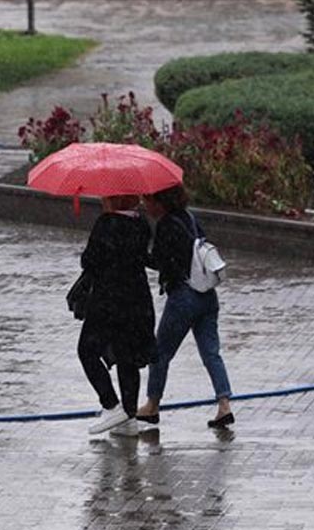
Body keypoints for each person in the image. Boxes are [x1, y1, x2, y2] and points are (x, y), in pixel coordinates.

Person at [136, 185, 234, 429]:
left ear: (159, 202)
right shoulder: (190, 219)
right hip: (208, 296)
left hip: (183, 297)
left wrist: (138, 254)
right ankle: (224, 405)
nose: (144, 205)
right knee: (211, 353)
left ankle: (152, 405)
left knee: (160, 353)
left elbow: (161, 262)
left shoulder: (166, 225)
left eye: (147, 199)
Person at [79, 195, 156, 437]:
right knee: (127, 356)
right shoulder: (141, 223)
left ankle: (111, 404)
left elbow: (89, 261)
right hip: (137, 299)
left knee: (87, 350)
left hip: (108, 301)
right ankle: (129, 416)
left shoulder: (106, 223)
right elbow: (141, 257)